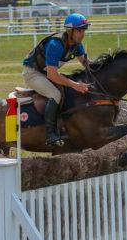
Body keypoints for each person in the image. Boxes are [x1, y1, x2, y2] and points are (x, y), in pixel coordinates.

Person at [22, 13, 91, 147]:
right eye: (80, 30)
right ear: (70, 31)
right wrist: (75, 85)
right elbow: (52, 75)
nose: (82, 34)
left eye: (84, 30)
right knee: (55, 94)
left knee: (68, 91)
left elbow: (86, 63)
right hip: (32, 73)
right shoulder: (56, 44)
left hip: (46, 72)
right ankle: (50, 135)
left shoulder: (77, 45)